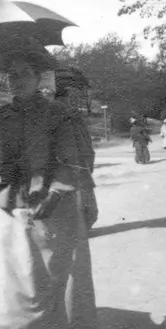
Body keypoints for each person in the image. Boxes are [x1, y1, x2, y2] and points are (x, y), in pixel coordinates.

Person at [0, 49, 105, 329]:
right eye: (10, 76)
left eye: (23, 74)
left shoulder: (61, 116)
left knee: (59, 279)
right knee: (17, 286)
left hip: (56, 209)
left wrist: (55, 193)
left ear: (38, 78)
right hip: (16, 208)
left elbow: (75, 161)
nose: (16, 81)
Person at [54, 85, 99, 229]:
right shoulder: (74, 115)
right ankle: (84, 224)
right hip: (78, 160)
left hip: (62, 161)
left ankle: (75, 226)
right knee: (82, 192)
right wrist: (89, 159)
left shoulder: (50, 114)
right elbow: (85, 140)